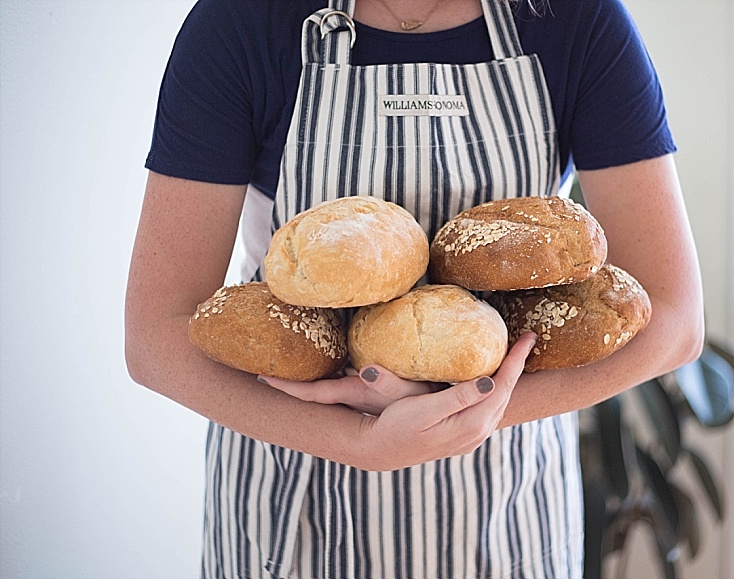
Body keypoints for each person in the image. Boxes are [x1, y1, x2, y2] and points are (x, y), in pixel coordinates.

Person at [125, 0, 704, 576]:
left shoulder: (576, 19)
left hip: (504, 506)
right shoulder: (243, 21)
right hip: (292, 495)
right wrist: (353, 440)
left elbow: (675, 318)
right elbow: (157, 334)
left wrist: (471, 414)